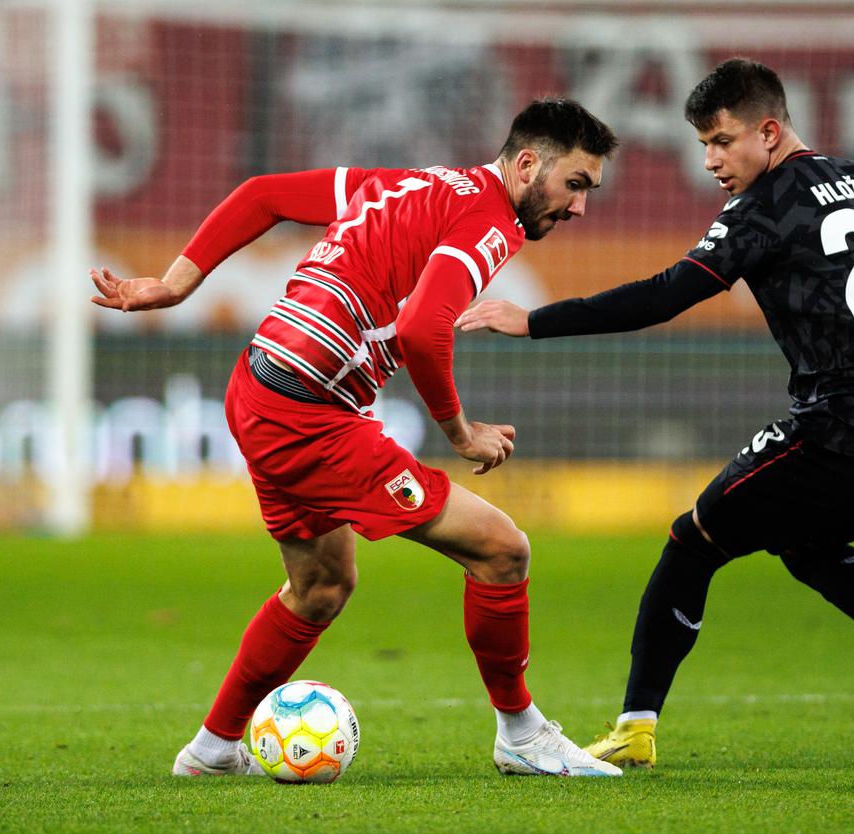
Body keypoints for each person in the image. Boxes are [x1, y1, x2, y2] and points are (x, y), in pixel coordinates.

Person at [456, 59, 854, 764]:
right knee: (800, 539)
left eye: (721, 140)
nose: (710, 159)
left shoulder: (766, 208)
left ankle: (635, 730)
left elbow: (666, 294)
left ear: (769, 132)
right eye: (702, 143)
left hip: (849, 435)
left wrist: (534, 322)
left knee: (692, 539)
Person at [91, 98, 623, 778]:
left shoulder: (409, 183)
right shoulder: (491, 219)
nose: (579, 207)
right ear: (526, 165)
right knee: (502, 549)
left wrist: (175, 283)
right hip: (308, 415)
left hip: (258, 388)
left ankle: (214, 748)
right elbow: (422, 331)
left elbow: (263, 195)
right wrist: (462, 432)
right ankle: (522, 733)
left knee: (319, 586)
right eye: (575, 184)